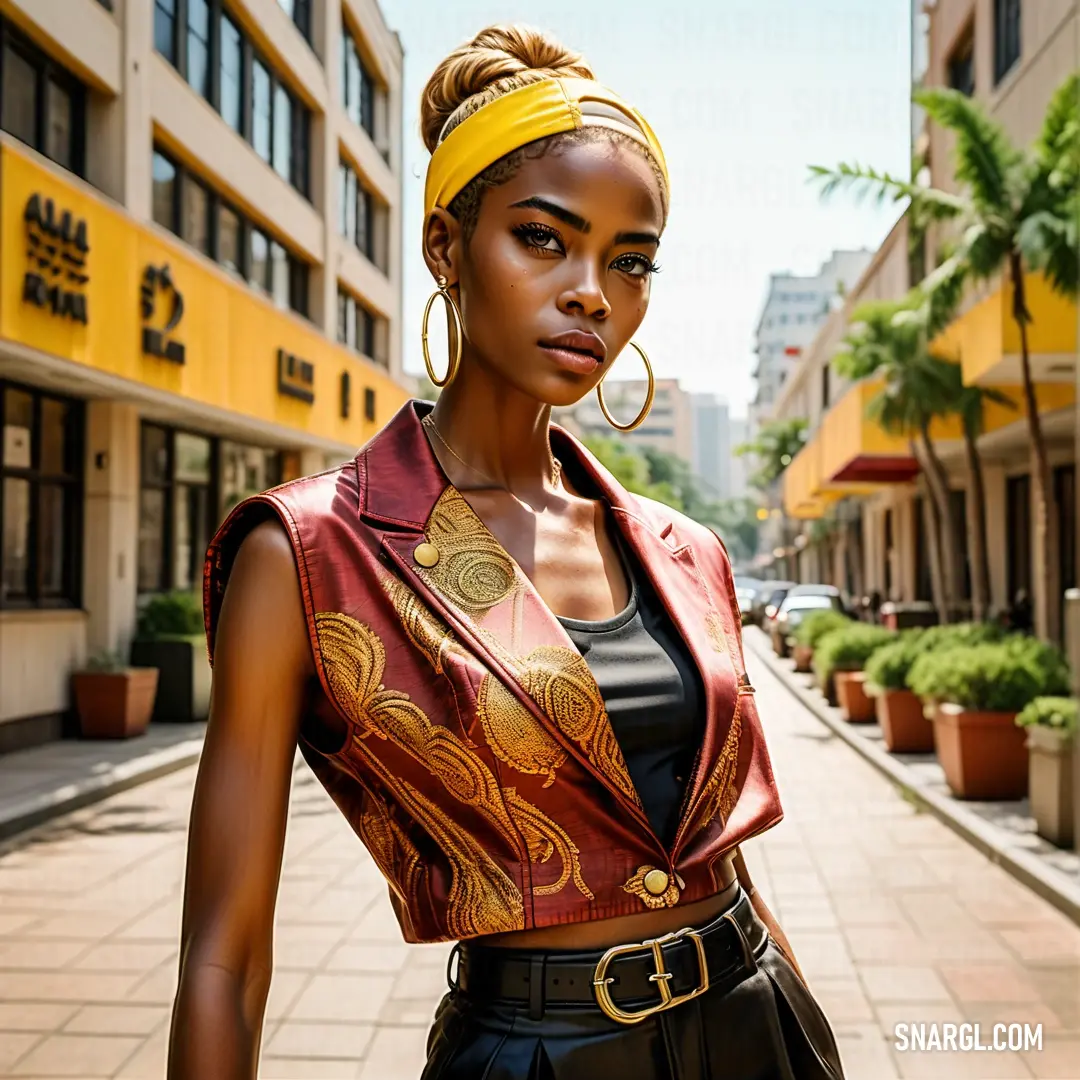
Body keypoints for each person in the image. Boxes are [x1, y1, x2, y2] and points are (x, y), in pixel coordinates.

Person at [167, 24, 846, 1080]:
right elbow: (224, 956)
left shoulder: (684, 550)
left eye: (630, 261)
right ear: (446, 246)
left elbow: (722, 857)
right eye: (543, 238)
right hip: (536, 1054)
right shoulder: (309, 551)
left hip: (759, 1025)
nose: (592, 292)